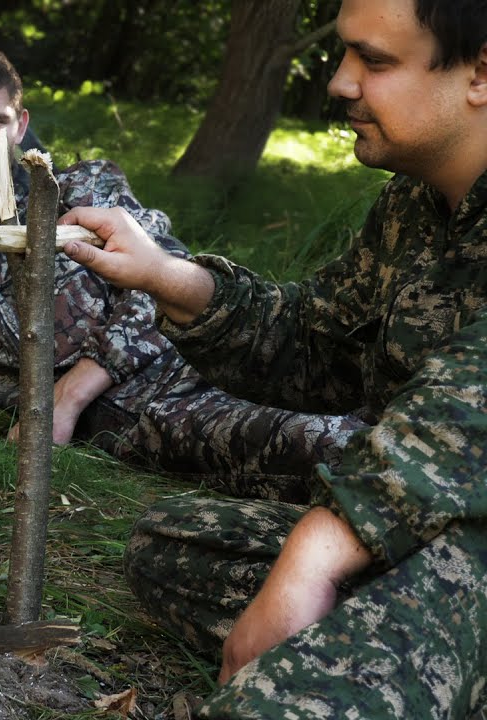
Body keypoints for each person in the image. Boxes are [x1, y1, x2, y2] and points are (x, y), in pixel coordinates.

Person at [59, 0, 487, 715]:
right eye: (346, 54)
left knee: (286, 700)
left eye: (375, 61)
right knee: (170, 546)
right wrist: (166, 274)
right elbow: (317, 347)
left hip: (468, 548)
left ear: (480, 72)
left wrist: (314, 554)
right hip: (430, 530)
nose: (341, 82)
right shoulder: (414, 208)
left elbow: (463, 419)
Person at [0, 43, 365, 499]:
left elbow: (169, 280)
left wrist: (65, 397)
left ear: (20, 125)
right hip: (153, 418)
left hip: (199, 361)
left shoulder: (86, 187)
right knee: (335, 449)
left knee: (371, 407)